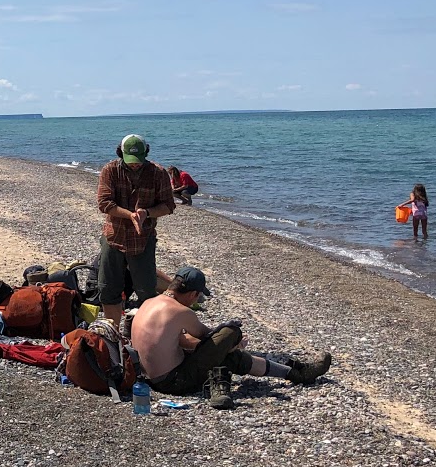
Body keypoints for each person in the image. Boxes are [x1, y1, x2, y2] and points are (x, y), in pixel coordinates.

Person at [131, 267, 333, 410]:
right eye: (197, 297)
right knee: (230, 331)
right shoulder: (181, 311)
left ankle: (297, 374)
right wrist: (232, 342)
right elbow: (210, 339)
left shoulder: (150, 302)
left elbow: (185, 342)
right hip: (173, 382)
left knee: (230, 356)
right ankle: (299, 373)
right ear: (192, 294)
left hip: (147, 380)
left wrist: (225, 349)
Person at [95, 134, 176, 324]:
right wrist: (129, 215)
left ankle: (144, 332)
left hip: (143, 239)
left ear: (146, 153)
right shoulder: (110, 170)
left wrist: (146, 213)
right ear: (120, 153)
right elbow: (104, 203)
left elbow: (168, 205)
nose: (135, 165)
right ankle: (113, 332)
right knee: (108, 289)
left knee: (146, 291)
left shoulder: (158, 173)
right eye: (130, 161)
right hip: (114, 237)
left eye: (138, 161)